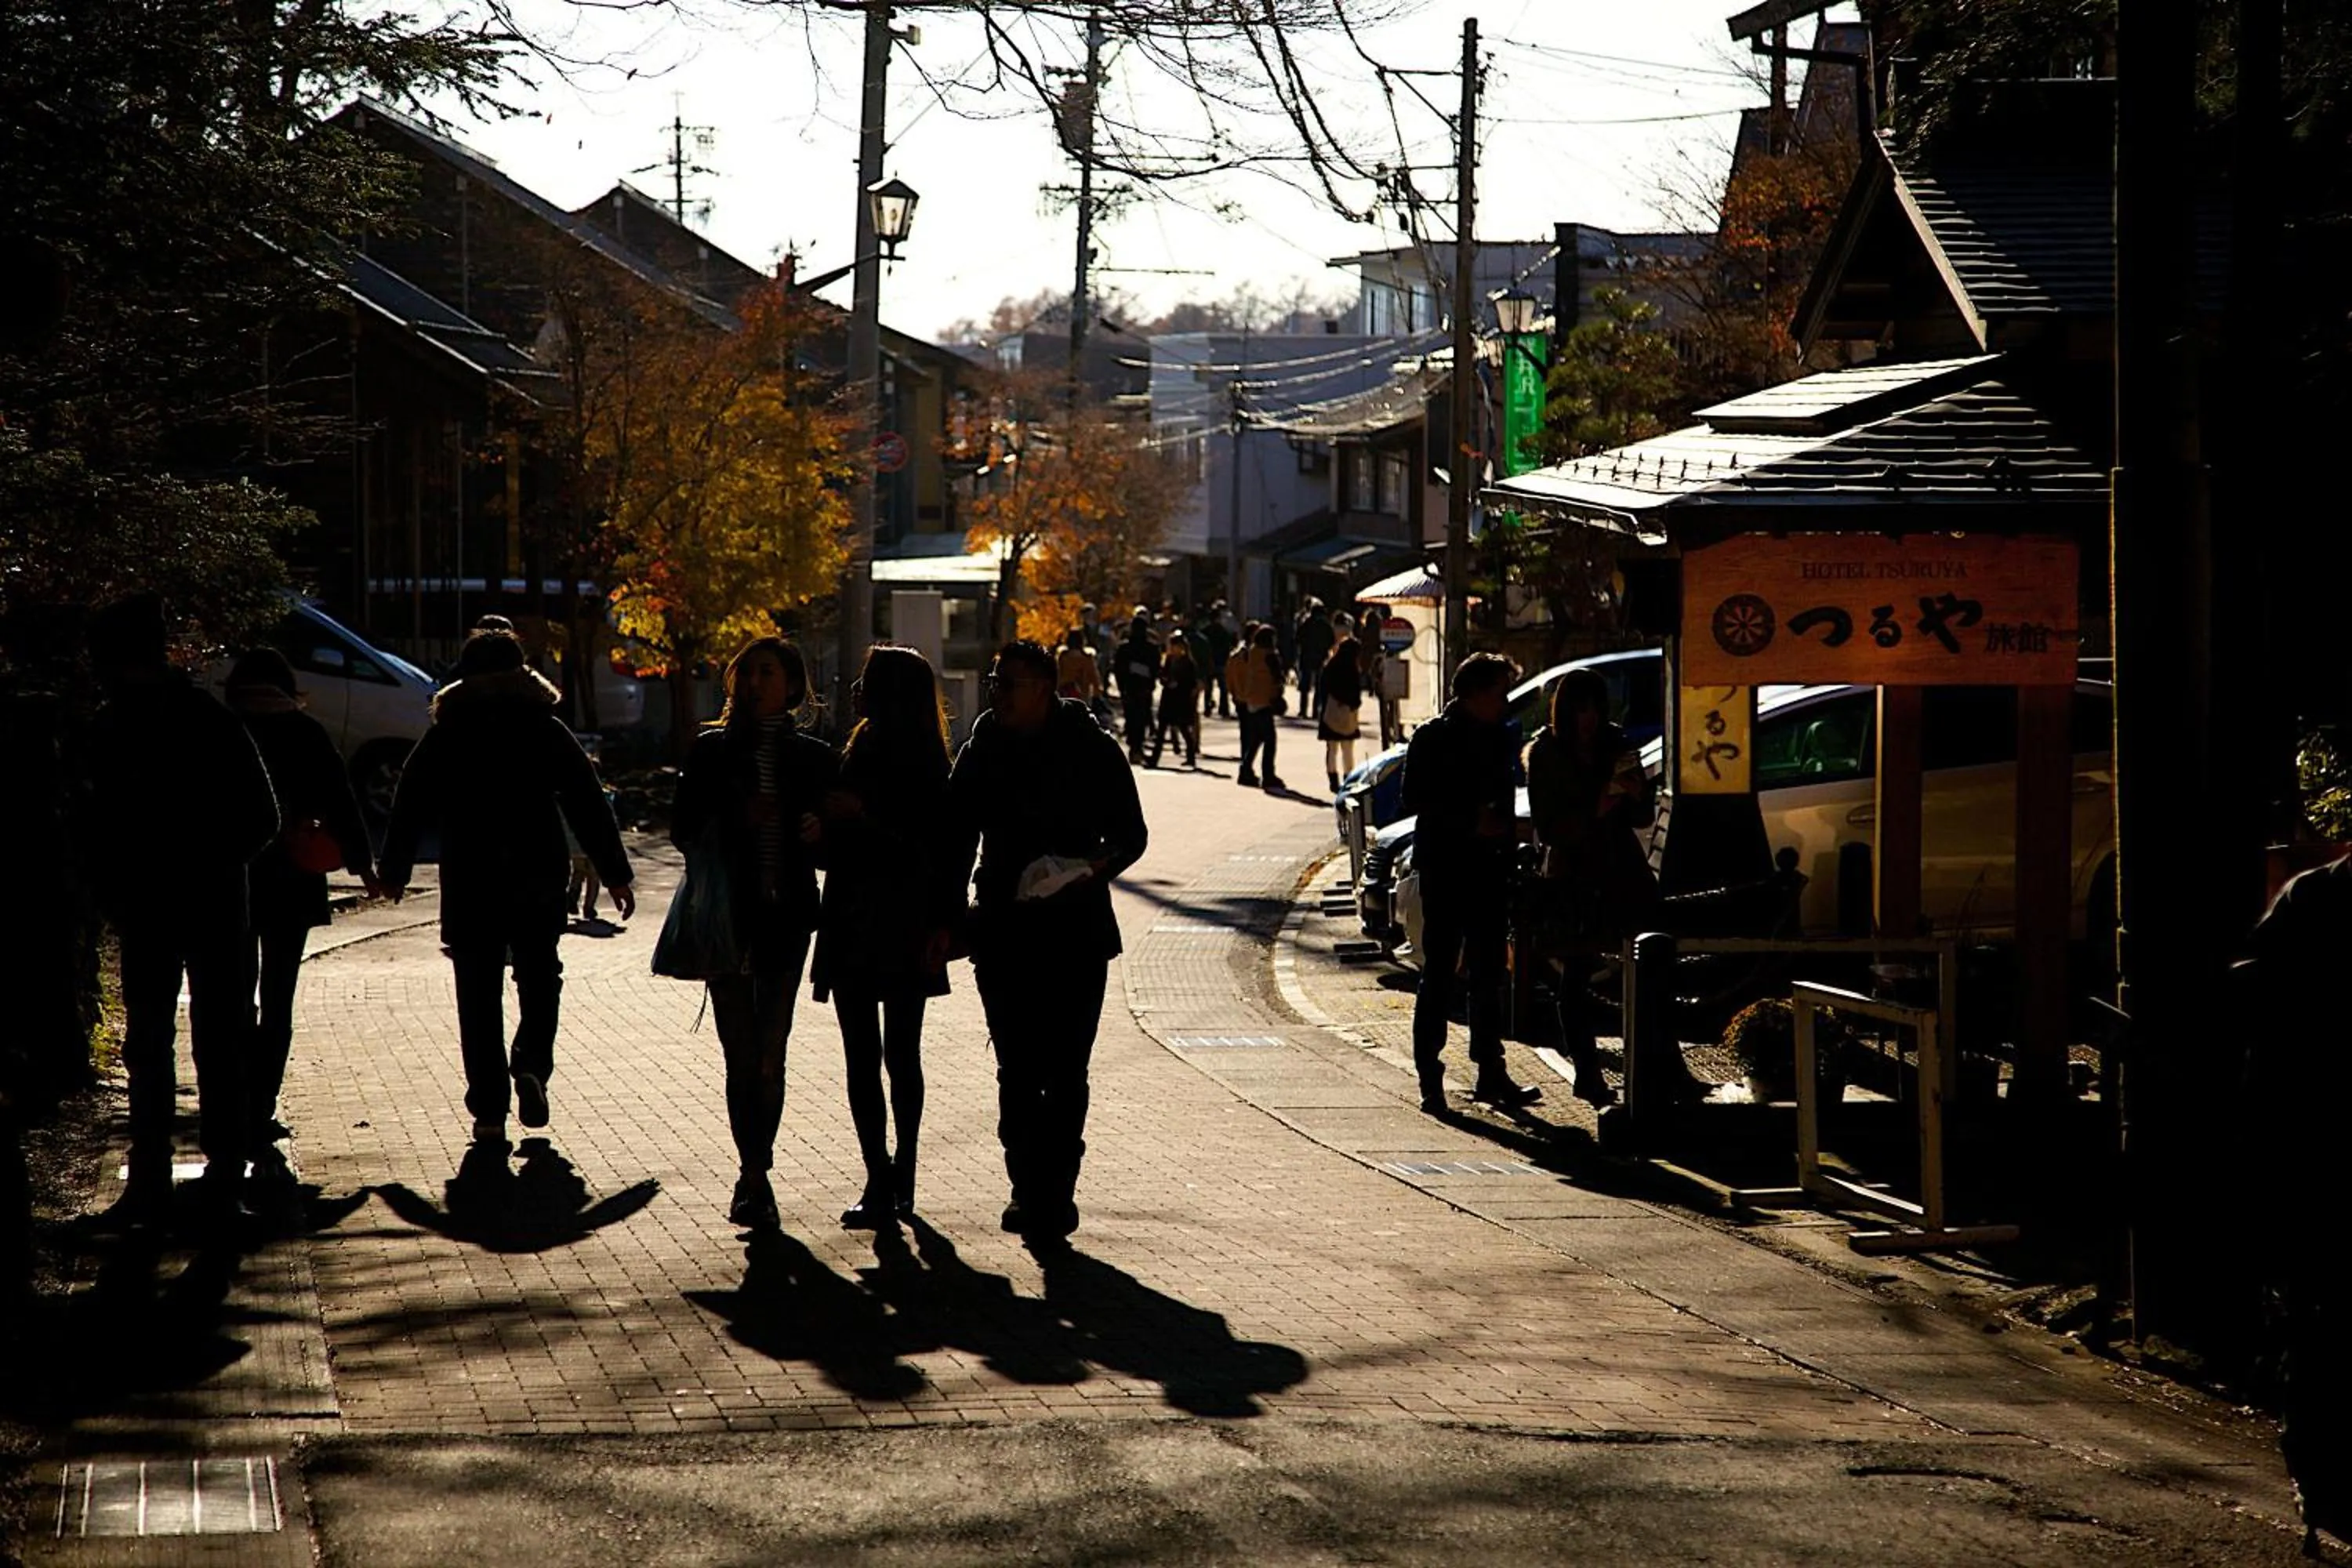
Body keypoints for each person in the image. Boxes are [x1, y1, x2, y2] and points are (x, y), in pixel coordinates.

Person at [379, 630, 635, 1151]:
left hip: (471, 872)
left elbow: (411, 798)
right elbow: (586, 799)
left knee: (477, 992)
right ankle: (531, 1065)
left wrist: (395, 869)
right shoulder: (544, 727)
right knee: (540, 975)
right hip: (537, 869)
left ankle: (489, 1110)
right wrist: (614, 871)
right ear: (523, 673)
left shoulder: (448, 731)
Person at [84, 595, 281, 1226]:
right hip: (206, 906)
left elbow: (93, 825)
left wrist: (129, 878)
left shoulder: (116, 728)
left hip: (168, 905)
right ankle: (219, 1182)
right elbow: (262, 817)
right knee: (208, 1044)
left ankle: (167, 1183)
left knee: (165, 1043)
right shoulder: (201, 719)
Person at [947, 640, 1148, 1244]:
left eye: (1008, 683)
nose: (997, 692)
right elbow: (955, 832)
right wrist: (948, 913)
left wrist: (1084, 867)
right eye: (994, 681)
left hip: (1076, 932)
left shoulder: (1092, 749)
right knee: (1015, 1067)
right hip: (1004, 929)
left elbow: (1132, 835)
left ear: (1045, 689)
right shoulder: (984, 747)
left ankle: (1056, 1190)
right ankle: (1024, 1185)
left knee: (1066, 1070)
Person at [670, 637, 838, 1231]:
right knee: (740, 1054)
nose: (754, 683)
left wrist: (819, 829)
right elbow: (681, 827)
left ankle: (757, 1164)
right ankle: (754, 1175)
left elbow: (835, 849)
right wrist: (731, 819)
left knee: (772, 1051)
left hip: (787, 919)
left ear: (792, 686)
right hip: (729, 920)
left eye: (767, 673)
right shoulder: (713, 751)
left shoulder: (814, 757)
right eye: (746, 673)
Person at [811, 645, 957, 1229]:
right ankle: (889, 1174)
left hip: (890, 917)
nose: (854, 689)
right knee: (885, 1053)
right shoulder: (867, 743)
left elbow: (931, 849)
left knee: (886, 1054)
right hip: (871, 917)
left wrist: (857, 815)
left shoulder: (918, 756)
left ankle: (891, 1175)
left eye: (866, 680)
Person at [223, 648, 381, 1174]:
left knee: (234, 993)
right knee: (279, 995)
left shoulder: (225, 729)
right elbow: (342, 801)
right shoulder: (306, 732)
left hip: (233, 879)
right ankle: (263, 1102)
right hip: (293, 879)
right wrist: (365, 865)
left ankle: (235, 1099)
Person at [2247, 852, 2352, 1555]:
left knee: (2318, 1317)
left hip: (2316, 1147)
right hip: (2317, 1149)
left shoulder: (2311, 898)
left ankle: (2324, 1483)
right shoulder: (2312, 898)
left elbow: (2261, 1022)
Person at [1403, 652, 1541, 1113]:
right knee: (1440, 972)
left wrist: (1506, 829)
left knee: (1488, 973)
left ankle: (1491, 1071)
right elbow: (1414, 798)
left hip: (1489, 868)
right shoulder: (1433, 736)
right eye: (1500, 692)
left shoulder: (1500, 737)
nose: (1505, 702)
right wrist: (1469, 822)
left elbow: (1504, 796)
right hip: (1446, 867)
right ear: (1476, 693)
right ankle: (1430, 1077)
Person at [1526, 669, 1659, 1109]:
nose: (1589, 718)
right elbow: (1550, 825)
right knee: (1576, 972)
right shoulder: (1546, 752)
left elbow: (1642, 817)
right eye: (1580, 709)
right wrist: (1596, 810)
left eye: (1595, 708)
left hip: (1620, 868)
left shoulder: (1616, 741)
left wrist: (1637, 793)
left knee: (1646, 964)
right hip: (1574, 872)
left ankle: (1656, 1067)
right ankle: (1587, 1069)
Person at [1226, 624, 1287, 791]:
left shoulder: (1251, 653)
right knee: (1270, 740)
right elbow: (1278, 678)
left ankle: (1245, 769)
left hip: (1251, 699)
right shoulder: (1270, 656)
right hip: (1265, 700)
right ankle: (1268, 774)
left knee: (1256, 739)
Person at [1317, 636, 1365, 794]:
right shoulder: (1353, 669)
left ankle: (1333, 779)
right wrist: (1353, 704)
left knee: (1332, 749)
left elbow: (1323, 689)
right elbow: (1356, 693)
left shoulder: (1331, 666)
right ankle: (1349, 779)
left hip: (1331, 712)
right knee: (1348, 750)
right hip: (1348, 713)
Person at [1114, 609, 1161, 767]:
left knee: (1132, 718)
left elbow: (1118, 669)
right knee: (1140, 718)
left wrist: (1122, 687)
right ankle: (1136, 747)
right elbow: (1155, 668)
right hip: (1142, 688)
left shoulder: (1124, 648)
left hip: (1131, 688)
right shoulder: (1150, 648)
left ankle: (1135, 747)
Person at [1151, 630, 1202, 770]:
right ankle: (1154, 759)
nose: (1173, 650)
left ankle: (1191, 757)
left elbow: (1192, 683)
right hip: (1168, 698)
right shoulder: (1168, 660)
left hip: (1181, 700)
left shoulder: (1188, 663)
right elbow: (1162, 674)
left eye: (1176, 647)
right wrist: (1164, 680)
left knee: (1184, 729)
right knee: (1161, 731)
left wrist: (1179, 684)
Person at [1192, 602, 1236, 720]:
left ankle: (1207, 708)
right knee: (1223, 687)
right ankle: (1224, 708)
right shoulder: (1224, 631)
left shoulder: (1205, 631)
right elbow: (1229, 645)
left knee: (1209, 687)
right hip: (1221, 662)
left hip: (1209, 662)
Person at [1293, 600, 1335, 713]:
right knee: (1319, 684)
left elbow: (1298, 638)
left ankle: (1303, 709)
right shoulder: (1326, 625)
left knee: (1305, 685)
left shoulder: (1306, 623)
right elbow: (1332, 640)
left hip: (1306, 655)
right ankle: (1316, 710)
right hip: (1320, 656)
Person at [1056, 628, 1102, 708]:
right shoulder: (1087, 658)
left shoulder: (1063, 657)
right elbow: (1094, 678)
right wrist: (1097, 694)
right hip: (1082, 695)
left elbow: (1058, 675)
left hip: (1064, 693)